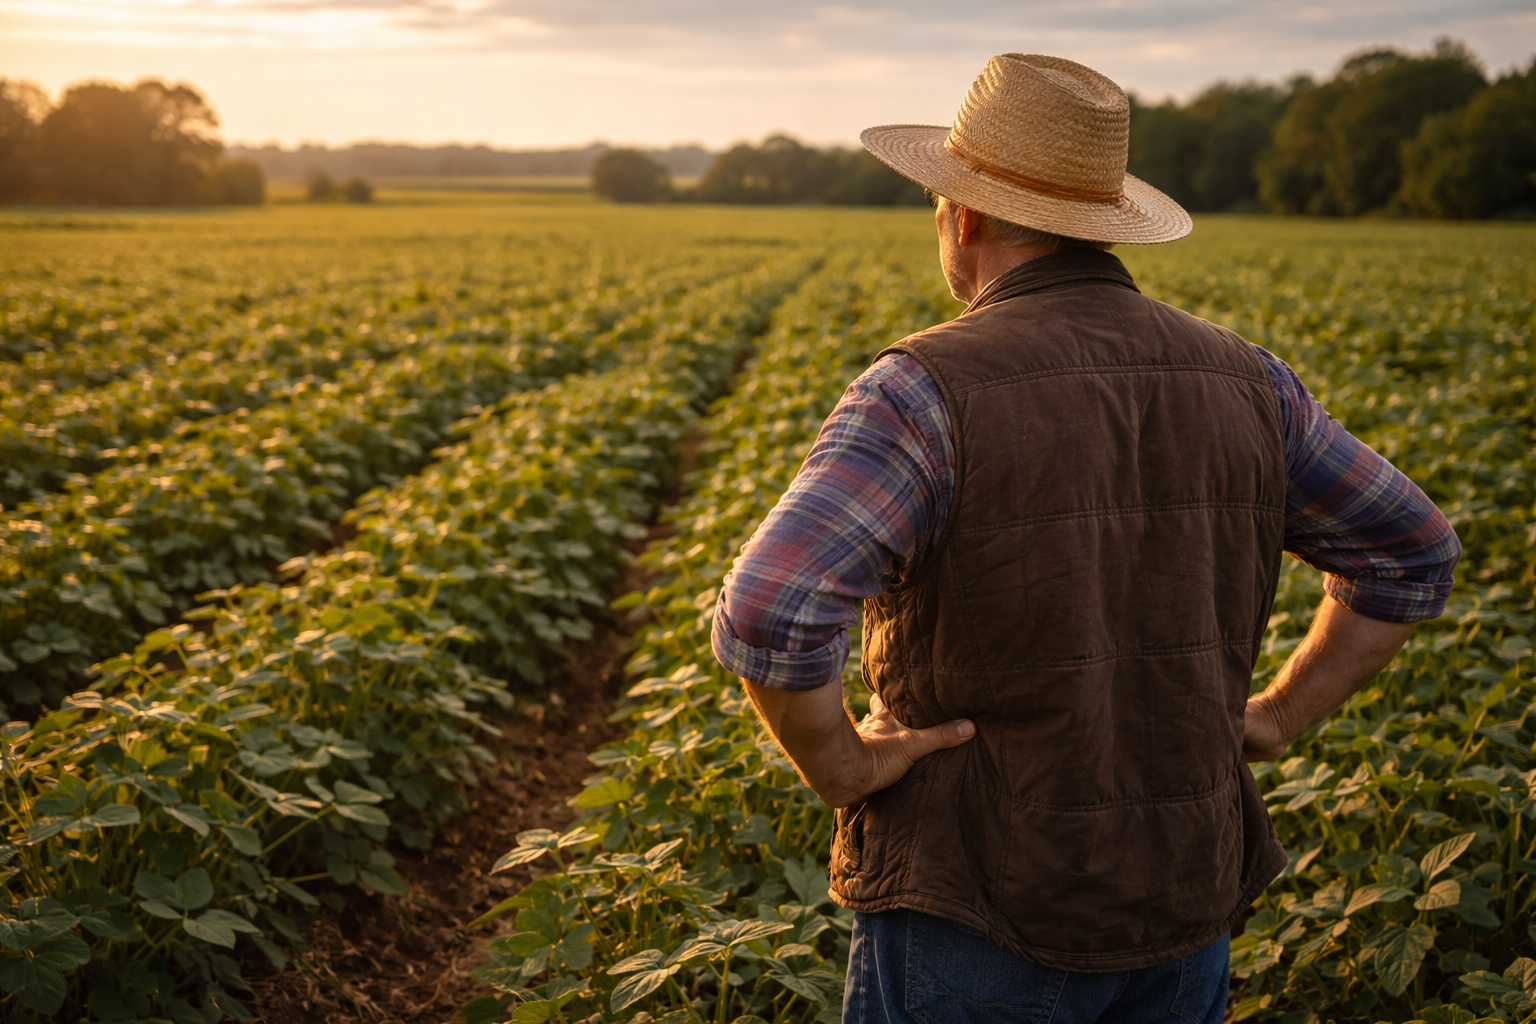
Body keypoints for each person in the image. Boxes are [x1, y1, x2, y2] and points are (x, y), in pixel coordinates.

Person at [710, 53, 1460, 1023]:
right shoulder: (1250, 382)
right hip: (1186, 905)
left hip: (972, 900)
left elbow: (772, 607)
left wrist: (845, 767)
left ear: (963, 216)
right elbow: (1413, 552)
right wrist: (1274, 716)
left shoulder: (920, 391)